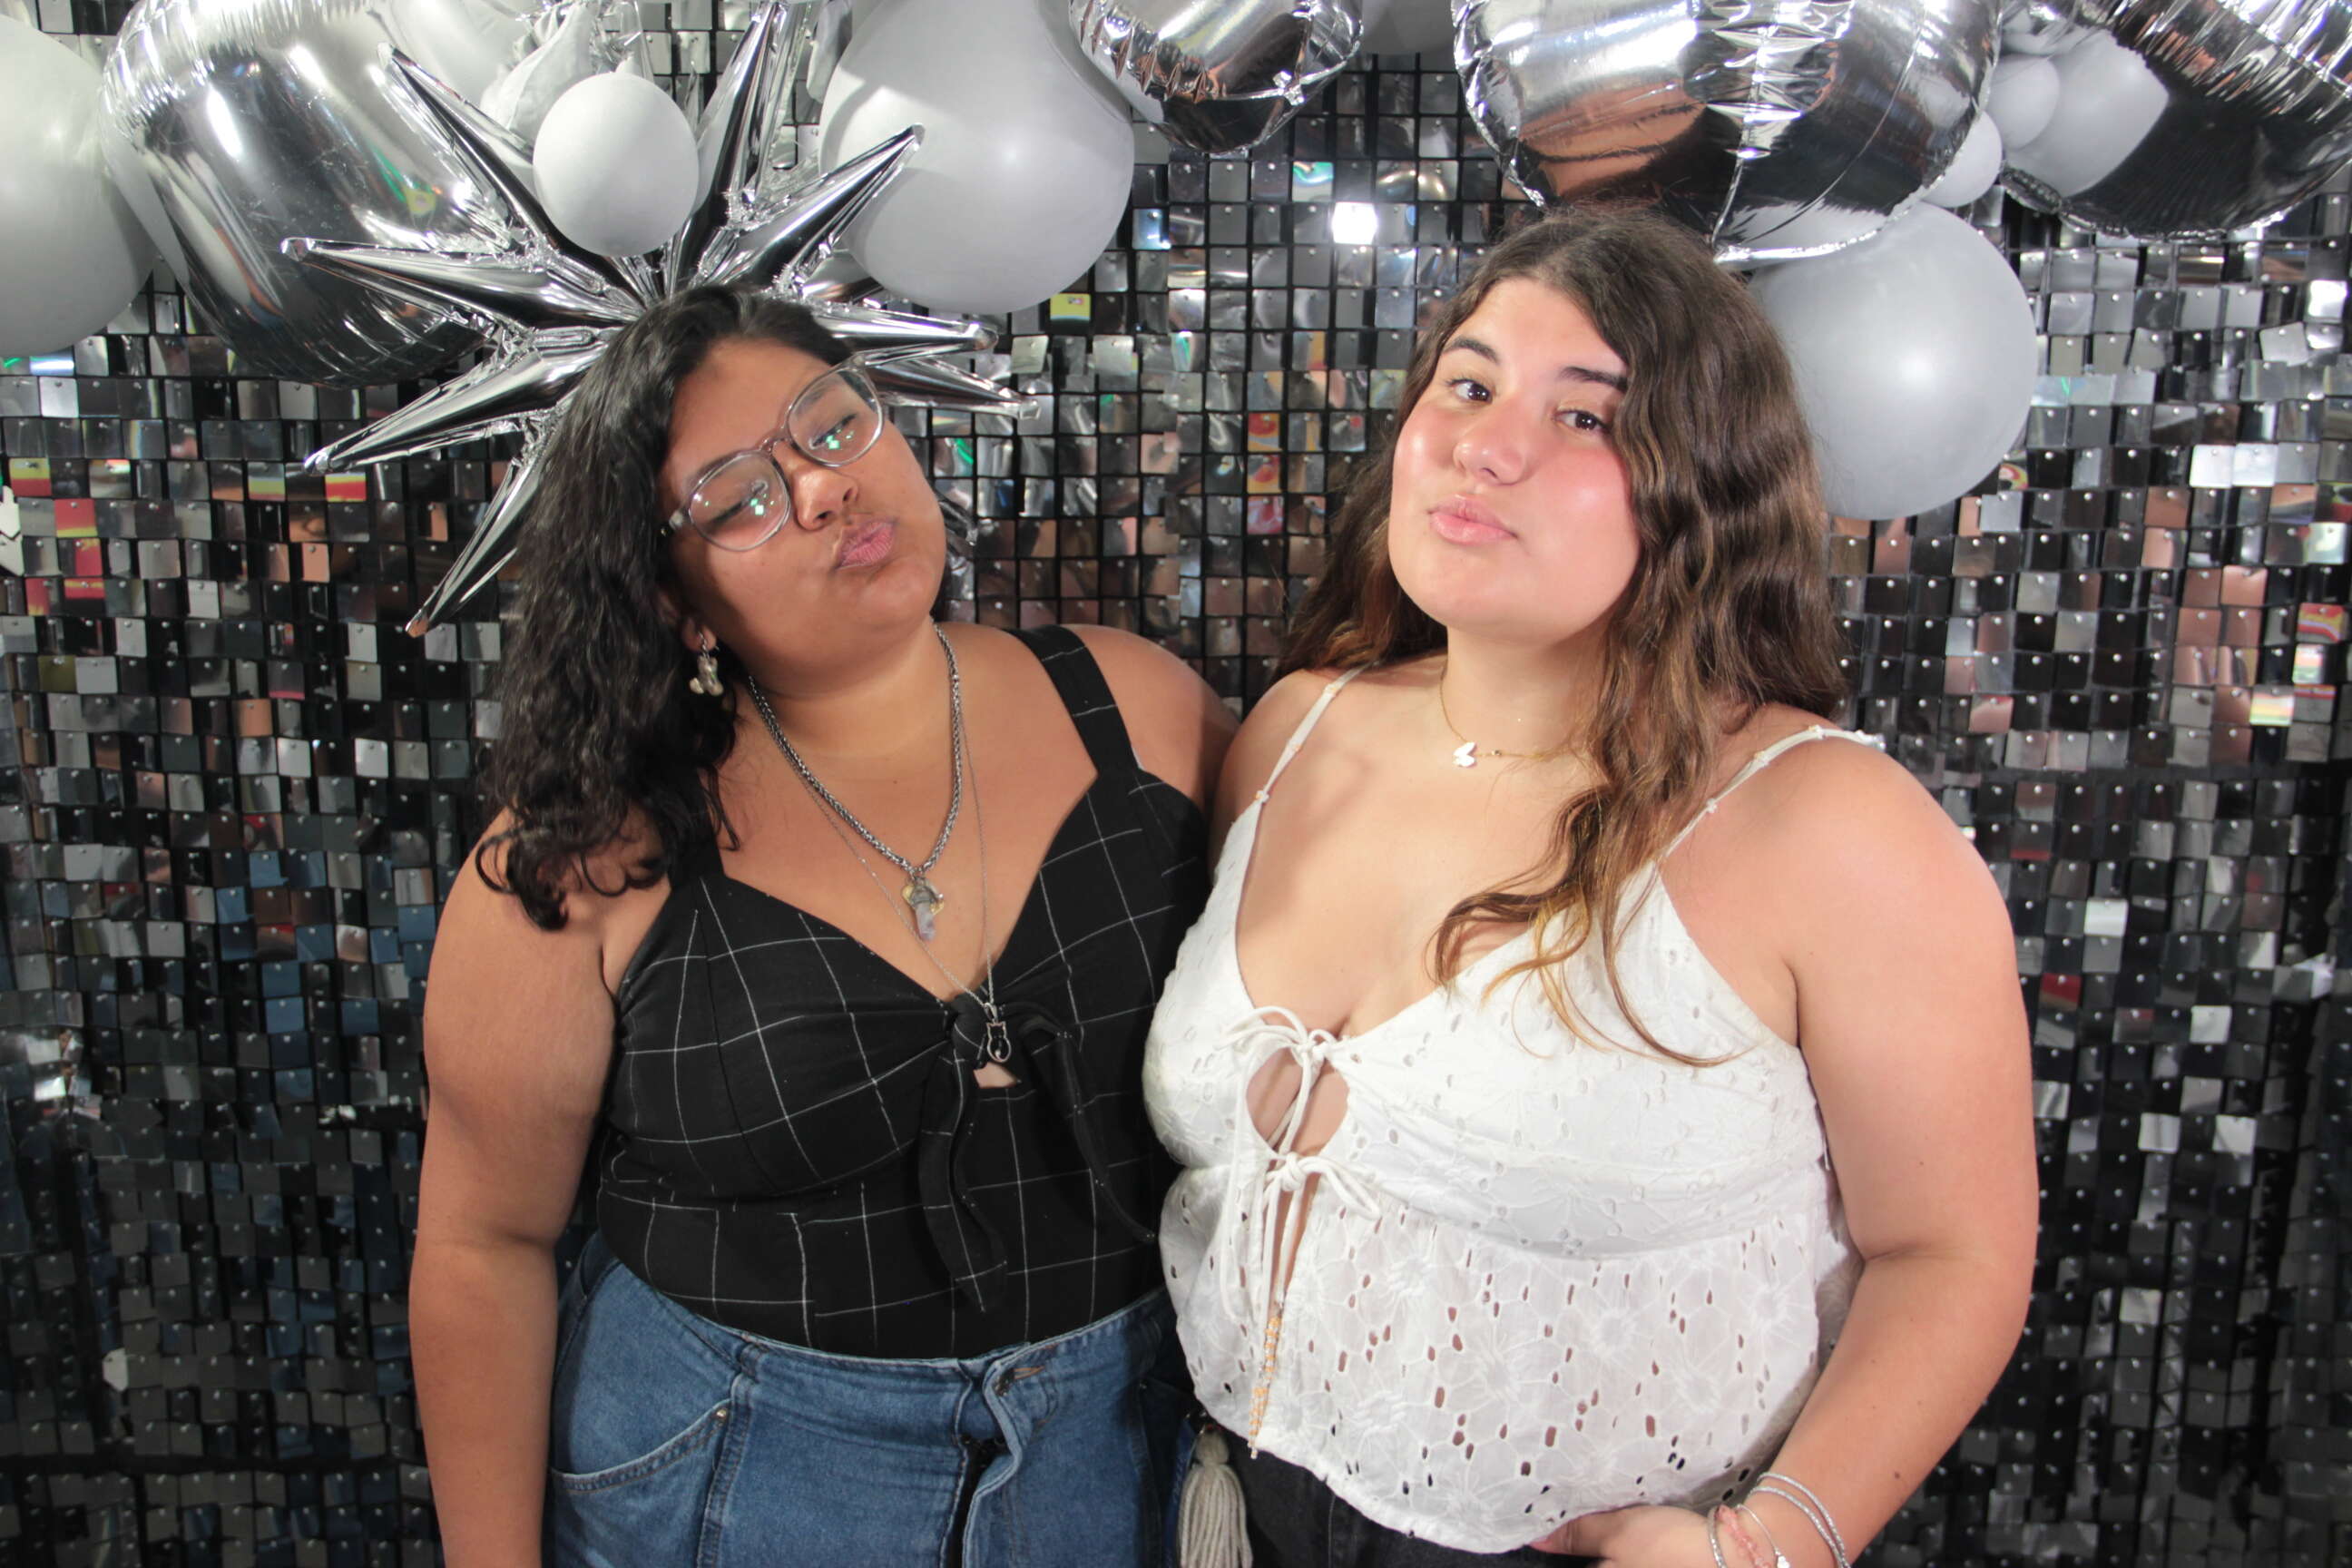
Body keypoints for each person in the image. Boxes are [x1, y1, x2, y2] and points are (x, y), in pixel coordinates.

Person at [1144, 207, 2037, 1568]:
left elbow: (1952, 1255)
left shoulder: (1827, 828)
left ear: (1703, 487)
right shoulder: (1297, 732)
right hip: (1222, 1508)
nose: (1486, 445)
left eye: (1584, 417)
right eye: (1469, 384)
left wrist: (1773, 1544)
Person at [409, 286, 1233, 1568]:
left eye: (833, 427)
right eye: (740, 498)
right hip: (739, 1477)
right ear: (676, 600)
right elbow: (483, 1245)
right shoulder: (591, 852)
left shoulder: (1141, 712)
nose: (823, 489)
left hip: (1118, 1455)